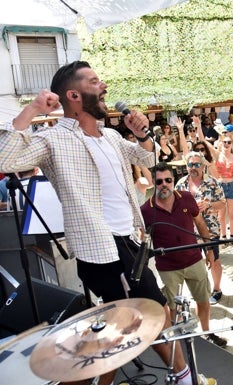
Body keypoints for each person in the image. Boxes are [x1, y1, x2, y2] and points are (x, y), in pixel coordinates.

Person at [0, 61, 212, 385]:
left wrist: (142, 136)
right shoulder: (53, 139)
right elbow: (5, 157)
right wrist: (32, 109)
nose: (104, 87)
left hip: (129, 239)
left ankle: (106, 379)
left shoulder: (111, 136)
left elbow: (150, 161)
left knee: (124, 322)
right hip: (101, 247)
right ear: (73, 94)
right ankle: (183, 377)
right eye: (95, 81)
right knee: (151, 310)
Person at [142, 163, 228, 348]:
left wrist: (209, 249)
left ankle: (206, 335)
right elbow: (143, 239)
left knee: (203, 300)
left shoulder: (187, 198)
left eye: (168, 180)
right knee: (171, 307)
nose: (164, 184)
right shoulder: (146, 210)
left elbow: (200, 224)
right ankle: (177, 342)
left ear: (173, 180)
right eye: (159, 181)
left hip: (194, 260)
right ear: (154, 183)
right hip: (167, 267)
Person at [175, 151, 227, 306]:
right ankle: (199, 291)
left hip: (210, 230)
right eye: (190, 164)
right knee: (192, 263)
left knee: (215, 260)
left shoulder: (212, 183)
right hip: (188, 232)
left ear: (203, 166)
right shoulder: (181, 184)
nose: (193, 167)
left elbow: (222, 203)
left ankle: (217, 289)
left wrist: (208, 205)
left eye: (197, 164)